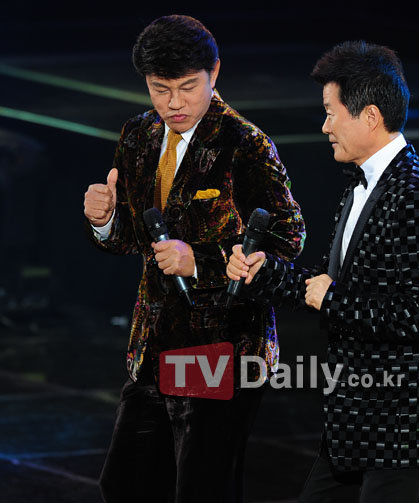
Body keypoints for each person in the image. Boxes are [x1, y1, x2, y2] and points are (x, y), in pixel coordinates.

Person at [227, 40, 419, 502]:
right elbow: (325, 283)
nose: (325, 127)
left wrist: (333, 299)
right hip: (356, 416)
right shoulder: (362, 185)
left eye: (331, 113)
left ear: (370, 116)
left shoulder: (416, 194)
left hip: (401, 418)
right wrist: (264, 271)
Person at [83, 14, 305, 503]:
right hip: (153, 342)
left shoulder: (244, 145)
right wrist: (104, 220)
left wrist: (201, 260)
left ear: (214, 73)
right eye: (160, 89)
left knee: (202, 490)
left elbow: (287, 238)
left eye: (187, 87)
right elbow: (132, 239)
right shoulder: (139, 135)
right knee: (126, 484)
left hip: (221, 343)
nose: (174, 103)